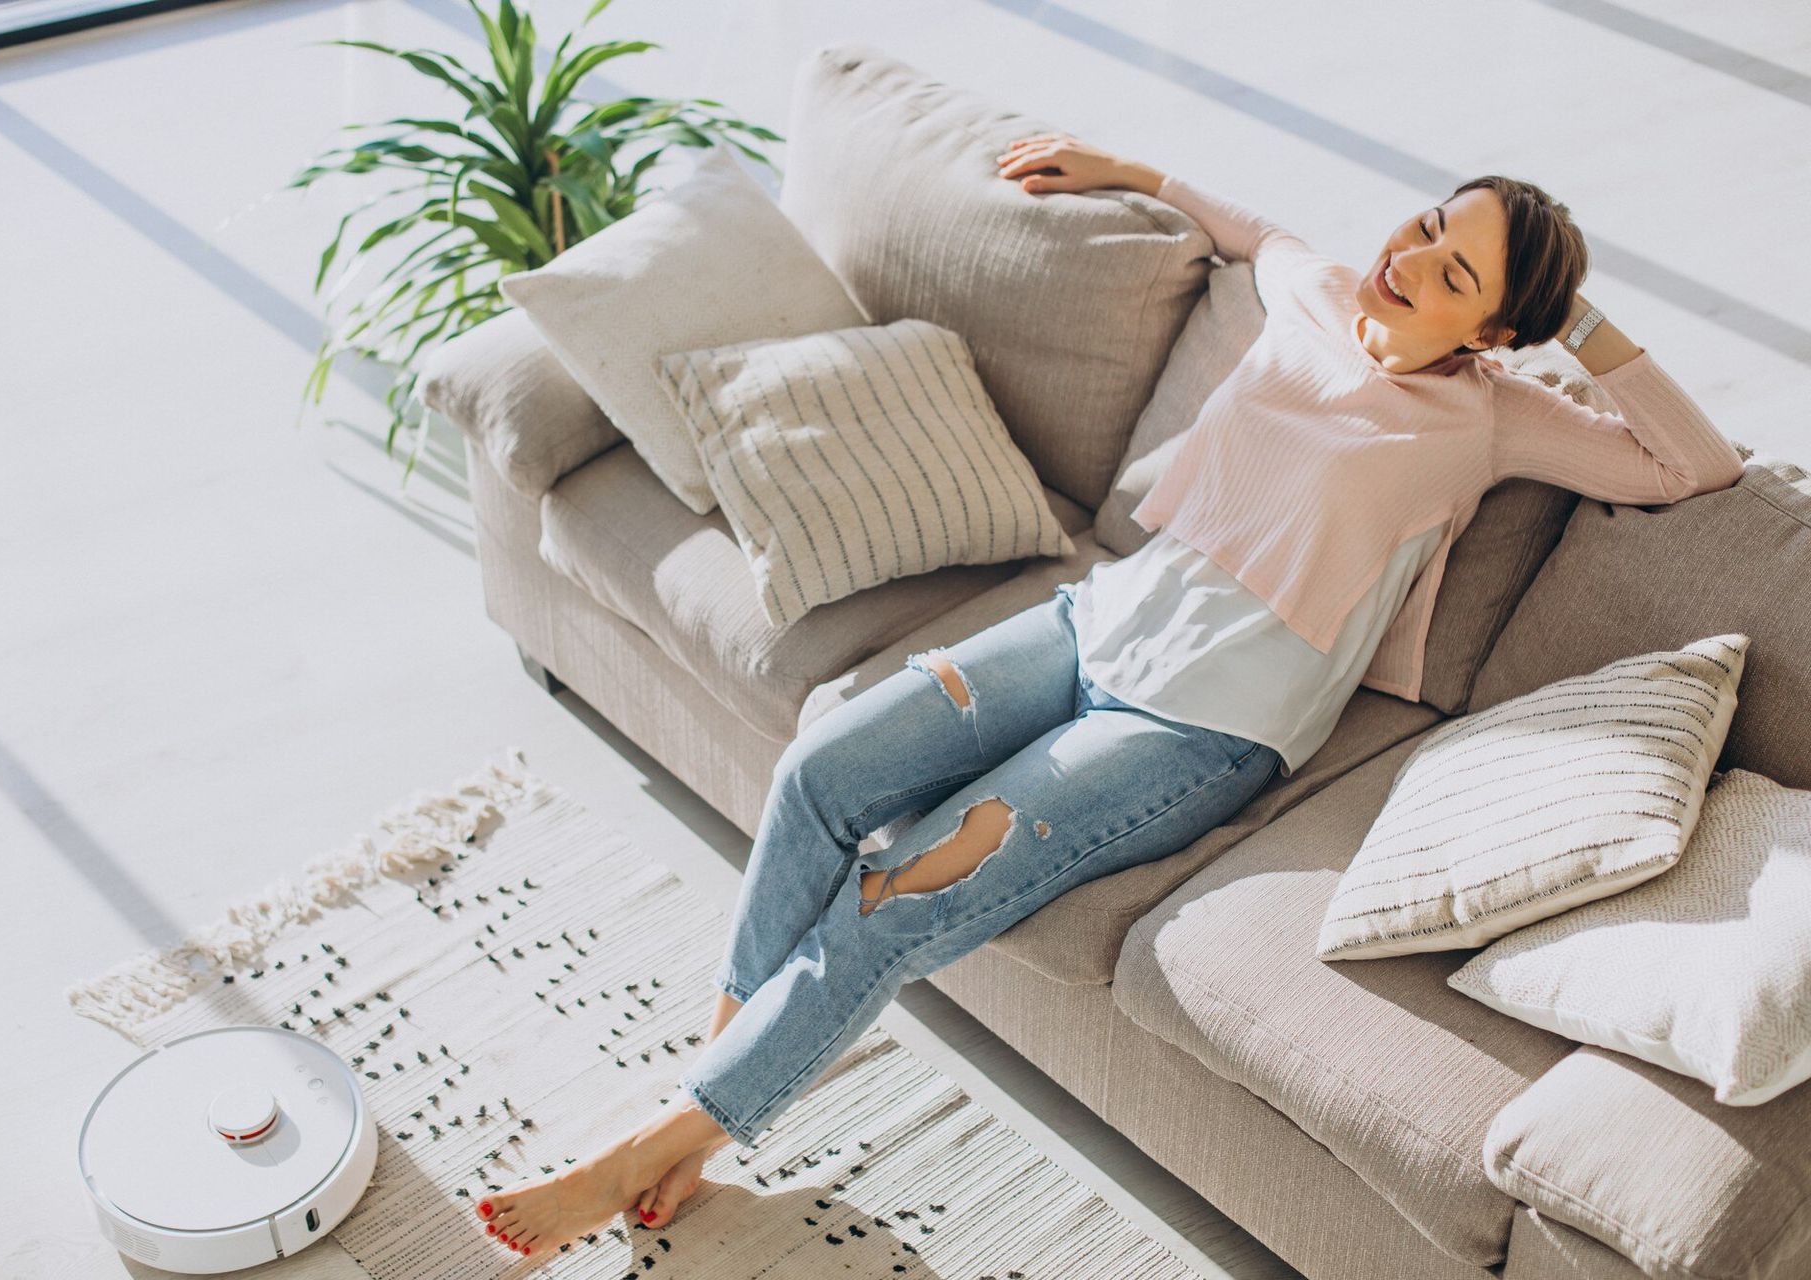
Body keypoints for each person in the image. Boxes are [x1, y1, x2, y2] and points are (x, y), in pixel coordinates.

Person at [468, 134, 1749, 1263]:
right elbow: (1256, 229)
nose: (1410, 260)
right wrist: (1127, 175)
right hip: (1093, 626)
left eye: (1454, 274)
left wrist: (1575, 324)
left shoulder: (1495, 417)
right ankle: (703, 1107)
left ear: (1491, 331)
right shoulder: (1315, 293)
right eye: (1425, 226)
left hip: (1198, 726)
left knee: (901, 886)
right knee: (821, 771)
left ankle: (656, 1142)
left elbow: (1694, 465)